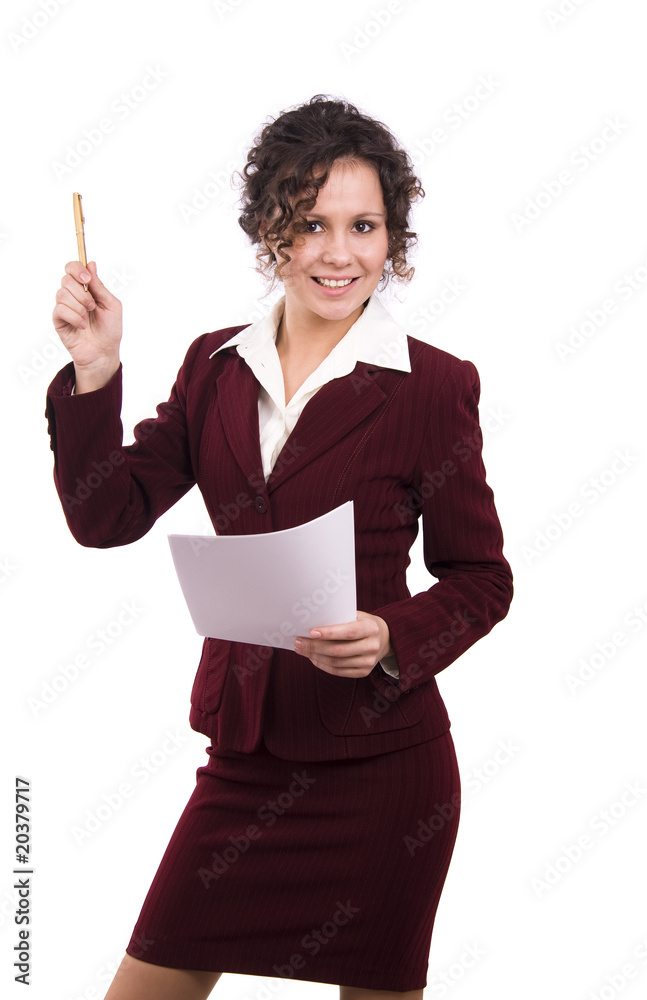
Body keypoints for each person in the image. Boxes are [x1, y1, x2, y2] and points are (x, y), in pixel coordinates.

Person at [47, 94, 513, 1000]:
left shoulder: (432, 387)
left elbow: (480, 578)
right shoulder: (212, 366)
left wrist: (390, 635)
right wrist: (95, 372)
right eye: (310, 224)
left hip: (384, 775)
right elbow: (106, 516)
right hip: (246, 758)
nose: (339, 253)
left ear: (393, 238)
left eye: (364, 225)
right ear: (270, 232)